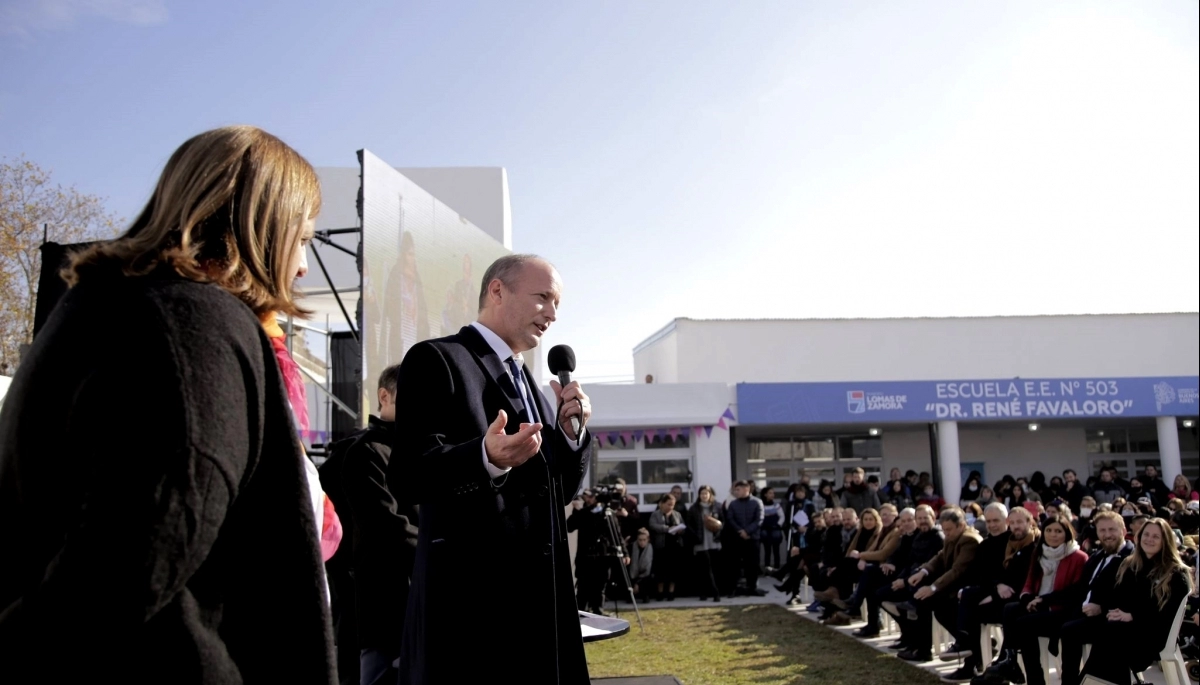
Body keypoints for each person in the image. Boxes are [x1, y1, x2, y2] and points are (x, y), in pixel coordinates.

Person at [0, 126, 337, 682]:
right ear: (259, 225)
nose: (301, 266)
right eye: (302, 238)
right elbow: (139, 550)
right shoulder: (196, 325)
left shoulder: (98, 308)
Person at [388, 253, 593, 685]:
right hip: (472, 615)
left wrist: (572, 439)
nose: (553, 315)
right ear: (497, 291)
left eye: (558, 304)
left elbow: (559, 491)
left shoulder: (535, 390)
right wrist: (485, 458)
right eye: (543, 298)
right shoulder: (437, 359)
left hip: (540, 611)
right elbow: (408, 476)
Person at [338, 364, 420, 685]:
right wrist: (435, 557)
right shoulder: (365, 453)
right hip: (385, 606)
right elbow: (387, 525)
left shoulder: (424, 451)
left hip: (423, 603)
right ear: (384, 397)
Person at [1081, 517, 1193, 684]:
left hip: (1154, 633)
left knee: (1109, 640)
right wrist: (1116, 612)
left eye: (1156, 536)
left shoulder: (1176, 572)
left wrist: (1133, 615)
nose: (1149, 539)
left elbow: (1167, 611)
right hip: (1125, 628)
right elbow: (1118, 596)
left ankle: (1086, 682)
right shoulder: (1131, 564)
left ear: (1166, 540)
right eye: (1146, 534)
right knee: (1106, 634)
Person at [568, 489, 610, 613]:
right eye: (586, 497)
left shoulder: (605, 513)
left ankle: (598, 611)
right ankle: (581, 615)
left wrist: (623, 551)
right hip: (585, 557)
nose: (588, 500)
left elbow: (615, 533)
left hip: (601, 556)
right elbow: (569, 526)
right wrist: (576, 510)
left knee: (599, 588)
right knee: (582, 590)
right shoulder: (583, 513)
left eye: (591, 497)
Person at [726, 480, 766, 596]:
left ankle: (752, 588)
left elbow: (759, 519)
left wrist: (747, 531)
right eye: (735, 490)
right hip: (737, 539)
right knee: (735, 564)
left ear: (746, 489)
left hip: (752, 538)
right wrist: (740, 531)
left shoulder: (757, 502)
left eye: (738, 490)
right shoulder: (733, 504)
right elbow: (730, 519)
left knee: (752, 564)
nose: (736, 492)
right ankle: (735, 588)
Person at [687, 485, 724, 602]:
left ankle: (708, 592)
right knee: (704, 569)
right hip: (701, 543)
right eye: (702, 493)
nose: (704, 496)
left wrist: (718, 528)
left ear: (710, 494)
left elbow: (723, 522)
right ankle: (713, 593)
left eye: (706, 493)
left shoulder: (717, 506)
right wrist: (695, 536)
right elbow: (689, 525)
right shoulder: (694, 508)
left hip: (714, 541)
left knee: (714, 569)